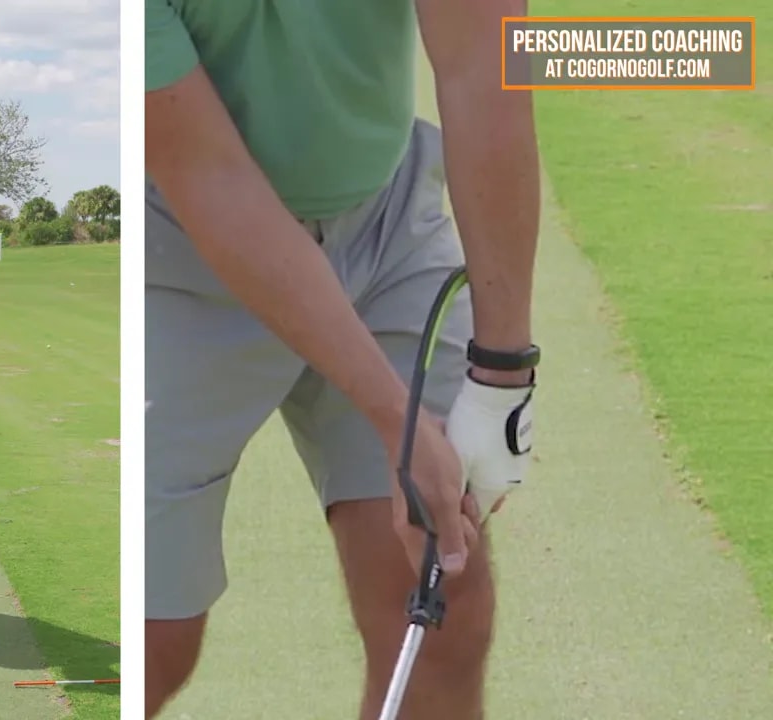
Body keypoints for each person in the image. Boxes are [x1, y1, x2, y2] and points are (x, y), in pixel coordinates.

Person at [144, 2, 539, 718]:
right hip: (180, 247)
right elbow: (211, 178)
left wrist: (503, 375)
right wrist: (395, 416)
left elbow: (486, 67)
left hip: (385, 220)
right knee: (152, 640)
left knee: (443, 603)